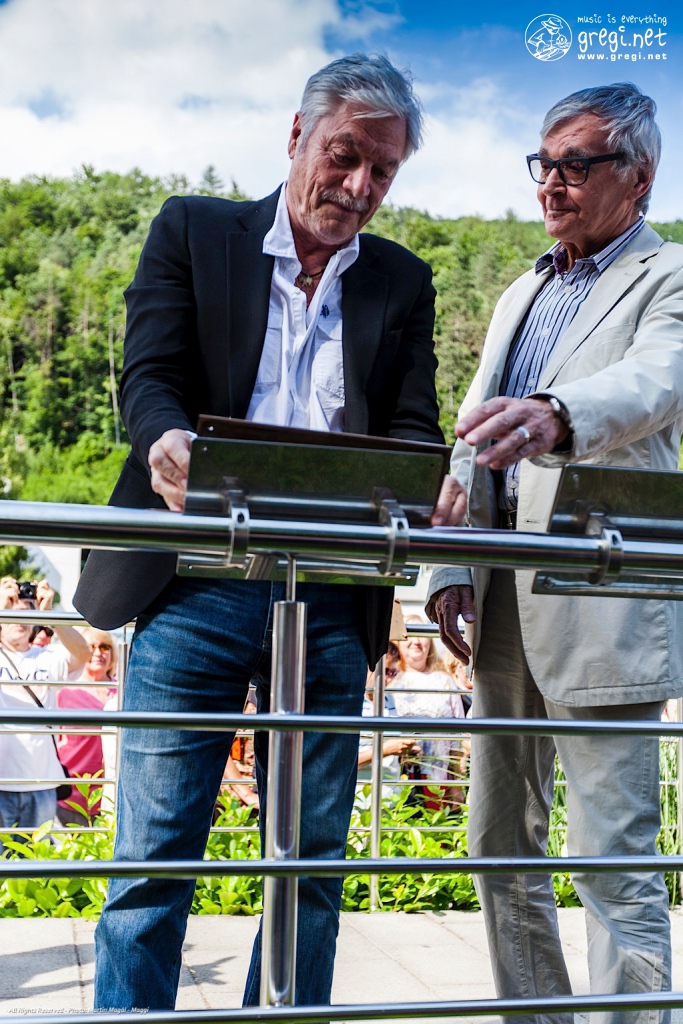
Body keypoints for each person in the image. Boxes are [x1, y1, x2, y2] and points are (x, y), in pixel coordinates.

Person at [73, 53, 451, 1011]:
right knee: (152, 861)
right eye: (344, 156)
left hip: (331, 594)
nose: (358, 187)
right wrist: (161, 438)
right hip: (191, 581)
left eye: (382, 171)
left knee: (310, 867)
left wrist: (427, 480)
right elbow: (149, 375)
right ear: (295, 135)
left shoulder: (404, 281)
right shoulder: (193, 230)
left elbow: (412, 425)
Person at [428, 83, 683, 1024]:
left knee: (612, 864)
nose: (551, 183)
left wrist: (558, 414)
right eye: (543, 163)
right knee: (498, 848)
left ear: (637, 177)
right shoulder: (520, 290)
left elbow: (655, 382)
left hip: (599, 599)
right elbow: (471, 432)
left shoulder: (669, 276)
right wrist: (447, 566)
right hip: (499, 601)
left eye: (576, 165)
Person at [0, 577, 90, 834]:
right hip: (2, 780)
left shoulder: (46, 657)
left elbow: (82, 653)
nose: (19, 620)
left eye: (26, 613)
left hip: (41, 782)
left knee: (40, 856)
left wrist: (51, 613)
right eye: (12, 612)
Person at [391, 617, 465, 809]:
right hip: (399, 776)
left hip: (439, 776)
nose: (416, 641)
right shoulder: (389, 680)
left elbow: (458, 734)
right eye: (410, 635)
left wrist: (457, 784)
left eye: (422, 635)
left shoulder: (444, 681)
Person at [56, 628, 118, 827]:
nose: (98, 653)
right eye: (91, 647)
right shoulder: (65, 690)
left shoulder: (122, 689)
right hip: (73, 794)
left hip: (112, 793)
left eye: (104, 647)